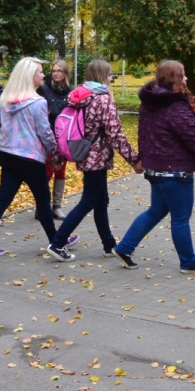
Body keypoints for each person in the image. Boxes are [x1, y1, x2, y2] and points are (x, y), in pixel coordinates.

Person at [112, 60, 195, 272]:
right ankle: (188, 262)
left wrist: (142, 159)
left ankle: (124, 248)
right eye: (183, 74)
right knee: (181, 217)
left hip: (156, 169)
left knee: (156, 211)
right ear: (174, 77)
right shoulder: (175, 105)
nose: (186, 78)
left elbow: (144, 134)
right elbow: (194, 137)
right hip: (174, 171)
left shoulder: (149, 101)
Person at [0, 57, 75, 256]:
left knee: (2, 200)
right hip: (31, 159)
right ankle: (57, 244)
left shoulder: (6, 98)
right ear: (30, 76)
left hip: (8, 156)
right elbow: (45, 133)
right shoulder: (38, 102)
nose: (43, 75)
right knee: (43, 202)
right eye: (40, 72)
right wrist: (56, 153)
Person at [49, 60, 142, 263]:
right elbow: (115, 134)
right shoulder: (102, 100)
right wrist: (134, 159)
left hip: (84, 152)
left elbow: (63, 127)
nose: (111, 78)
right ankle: (57, 243)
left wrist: (58, 156)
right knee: (88, 201)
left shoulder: (79, 96)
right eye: (109, 75)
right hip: (96, 156)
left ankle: (109, 245)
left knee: (101, 201)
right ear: (102, 76)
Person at [37, 59, 73, 219]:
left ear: (65, 73)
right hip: (48, 136)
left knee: (61, 171)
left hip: (64, 137)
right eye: (54, 71)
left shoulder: (71, 92)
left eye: (59, 70)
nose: (56, 73)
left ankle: (57, 205)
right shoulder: (44, 89)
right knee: (47, 171)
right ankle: (42, 205)